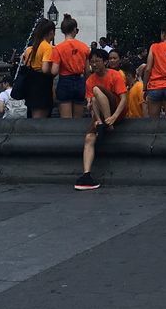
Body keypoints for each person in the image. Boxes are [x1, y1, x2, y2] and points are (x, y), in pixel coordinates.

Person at [75, 47, 127, 190]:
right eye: (92, 62)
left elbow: (123, 99)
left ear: (105, 62)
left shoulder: (115, 75)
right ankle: (86, 174)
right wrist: (97, 119)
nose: (94, 64)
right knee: (89, 138)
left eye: (97, 61)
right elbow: (91, 103)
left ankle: (107, 123)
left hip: (115, 111)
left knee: (96, 90)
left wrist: (114, 117)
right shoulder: (89, 80)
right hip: (101, 116)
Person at [50, 14, 91, 119]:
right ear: (74, 30)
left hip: (64, 82)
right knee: (78, 119)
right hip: (79, 81)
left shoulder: (58, 48)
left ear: (63, 31)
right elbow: (87, 70)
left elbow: (54, 71)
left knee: (66, 120)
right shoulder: (84, 47)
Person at [19, 18, 56, 119]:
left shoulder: (30, 48)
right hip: (42, 85)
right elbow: (44, 69)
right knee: (40, 118)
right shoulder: (47, 47)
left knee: (31, 115)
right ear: (51, 32)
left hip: (30, 85)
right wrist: (53, 71)